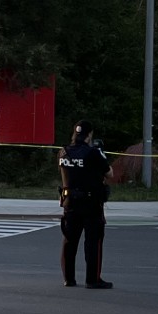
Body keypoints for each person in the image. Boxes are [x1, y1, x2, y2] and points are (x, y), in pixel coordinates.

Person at [58, 121, 113, 289]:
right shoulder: (93, 153)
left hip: (70, 202)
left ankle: (69, 278)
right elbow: (110, 174)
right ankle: (92, 279)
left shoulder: (63, 152)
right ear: (89, 135)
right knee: (93, 242)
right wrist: (102, 154)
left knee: (69, 241)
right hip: (91, 203)